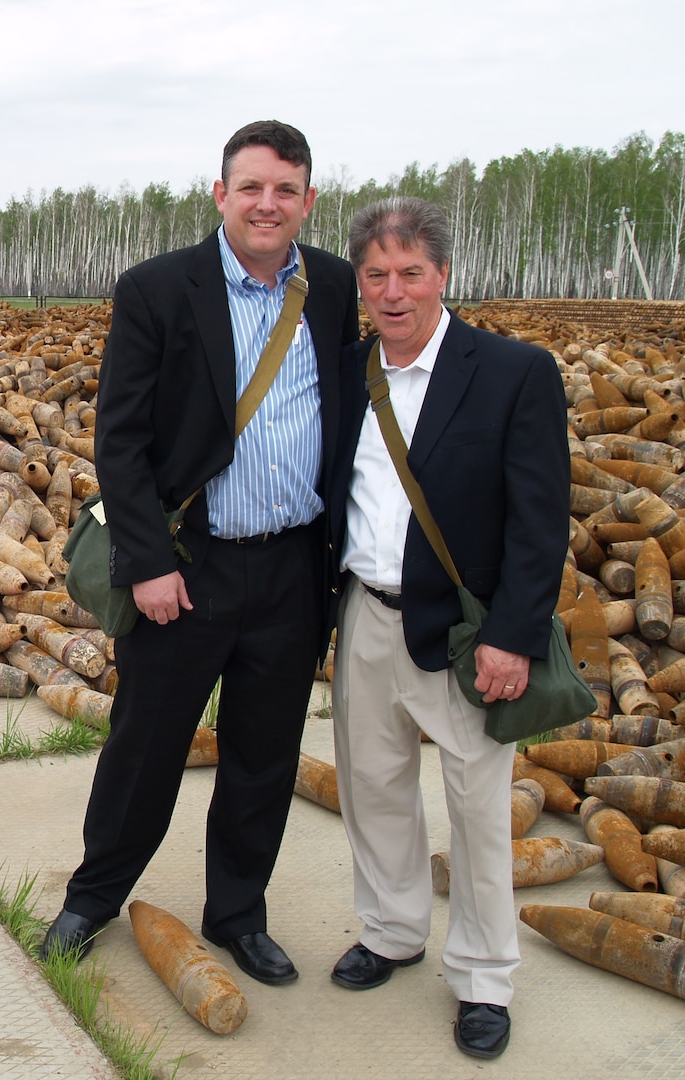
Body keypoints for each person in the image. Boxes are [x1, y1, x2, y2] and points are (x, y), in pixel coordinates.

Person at [40, 120, 359, 986]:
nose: (267, 203)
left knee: (265, 754)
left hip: (294, 565)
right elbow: (122, 438)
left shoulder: (332, 286)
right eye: (250, 187)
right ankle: (94, 896)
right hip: (190, 562)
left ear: (307, 202)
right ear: (220, 194)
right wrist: (147, 562)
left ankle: (237, 916)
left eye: (284, 190)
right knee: (146, 743)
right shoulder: (158, 288)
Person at [325, 196, 568, 1058]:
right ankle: (392, 929)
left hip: (467, 636)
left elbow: (541, 522)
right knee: (374, 788)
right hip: (365, 615)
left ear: (444, 276)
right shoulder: (349, 370)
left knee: (475, 806)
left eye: (411, 274)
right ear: (361, 282)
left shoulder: (512, 371)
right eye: (377, 275)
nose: (394, 293)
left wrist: (515, 634)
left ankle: (482, 977)